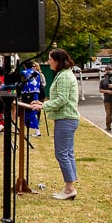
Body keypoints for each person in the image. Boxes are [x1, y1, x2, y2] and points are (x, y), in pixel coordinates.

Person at [31, 48, 80, 201]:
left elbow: (62, 100)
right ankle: (69, 186)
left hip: (66, 119)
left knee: (62, 154)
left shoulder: (65, 76)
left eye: (50, 59)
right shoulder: (63, 74)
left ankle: (69, 188)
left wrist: (43, 106)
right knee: (68, 154)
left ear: (58, 60)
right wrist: (43, 102)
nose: (48, 62)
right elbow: (59, 98)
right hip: (67, 119)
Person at [22, 62, 44, 137]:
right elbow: (40, 84)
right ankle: (28, 126)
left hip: (28, 93)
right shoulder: (37, 73)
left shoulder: (24, 73)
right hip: (36, 93)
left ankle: (37, 130)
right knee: (33, 111)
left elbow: (22, 83)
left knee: (30, 111)